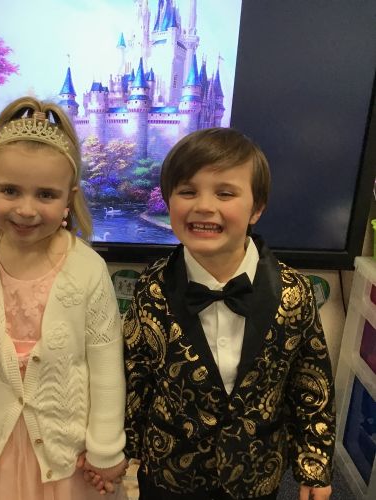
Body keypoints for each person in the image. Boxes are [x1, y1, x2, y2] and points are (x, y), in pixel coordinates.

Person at [123, 128, 335, 500]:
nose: (204, 206)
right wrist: (123, 449)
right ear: (168, 201)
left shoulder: (294, 291)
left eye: (225, 193)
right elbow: (135, 375)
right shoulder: (152, 287)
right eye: (188, 191)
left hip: (257, 472)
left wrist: (314, 466)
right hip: (170, 471)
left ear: (257, 208)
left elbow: (310, 382)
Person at [0, 96, 128, 499]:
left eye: (45, 195)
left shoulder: (87, 269)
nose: (26, 210)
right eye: (10, 190)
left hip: (68, 454)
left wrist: (106, 448)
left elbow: (105, 367)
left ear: (68, 199)